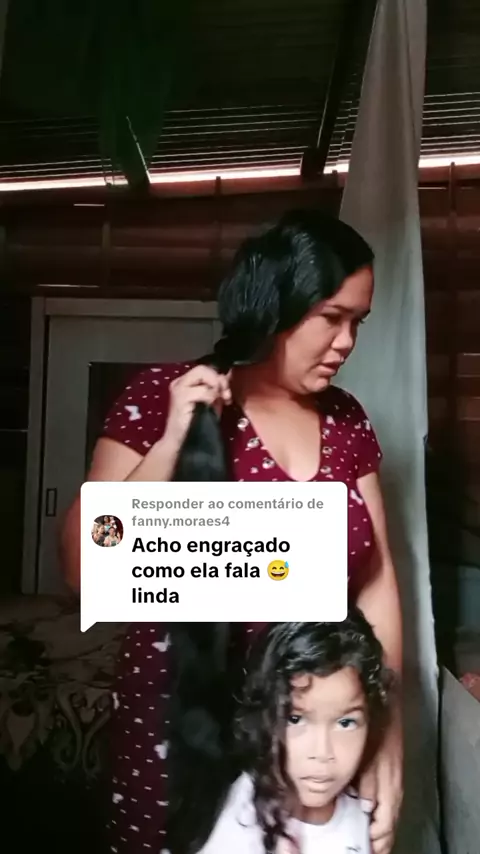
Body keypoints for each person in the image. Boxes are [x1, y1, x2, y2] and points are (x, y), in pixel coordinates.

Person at [60, 210, 403, 854]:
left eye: (358, 321)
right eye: (331, 317)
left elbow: (377, 584)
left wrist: (386, 736)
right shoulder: (159, 396)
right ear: (275, 306)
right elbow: (87, 569)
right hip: (176, 727)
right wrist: (171, 440)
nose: (347, 341)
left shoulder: (347, 422)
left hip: (312, 736)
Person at [199, 612, 394, 854]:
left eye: (346, 723)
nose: (322, 752)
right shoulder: (240, 819)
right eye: (295, 719)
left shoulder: (361, 811)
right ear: (265, 715)